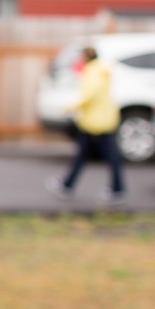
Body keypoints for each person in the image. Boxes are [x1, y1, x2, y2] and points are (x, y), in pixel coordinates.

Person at [47, 46, 125, 202]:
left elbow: (88, 96)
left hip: (96, 121)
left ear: (86, 57)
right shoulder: (98, 70)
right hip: (100, 119)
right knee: (91, 155)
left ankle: (69, 185)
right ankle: (68, 185)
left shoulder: (93, 72)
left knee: (98, 155)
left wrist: (68, 107)